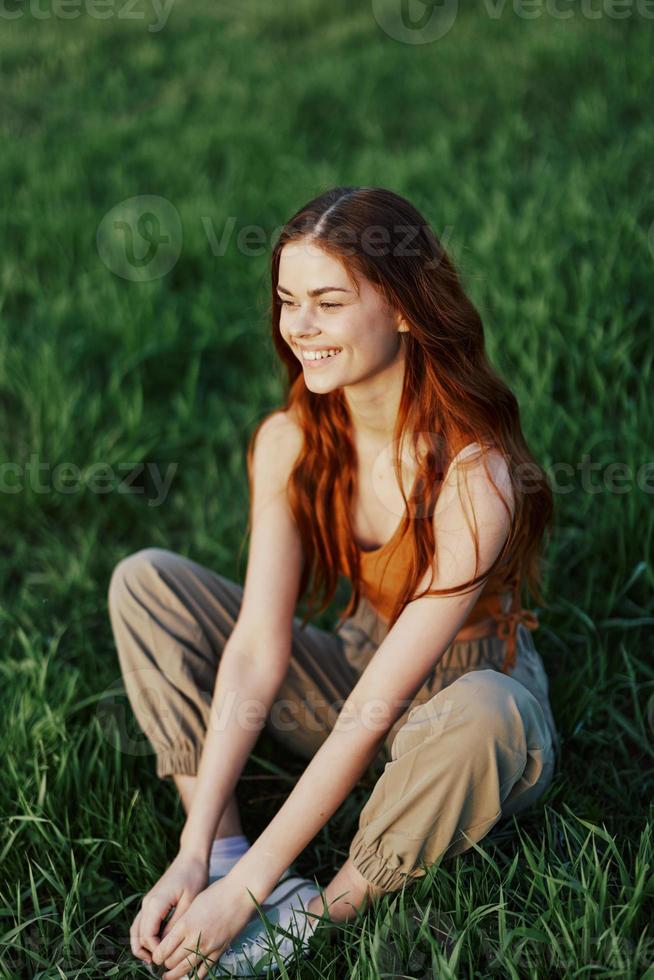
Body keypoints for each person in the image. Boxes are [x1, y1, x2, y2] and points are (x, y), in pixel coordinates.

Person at [108, 185, 559, 979]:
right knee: (146, 581)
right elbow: (256, 646)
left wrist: (250, 901)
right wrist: (200, 856)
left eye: (328, 302)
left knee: (492, 717)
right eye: (288, 301)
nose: (299, 328)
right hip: (354, 665)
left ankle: (311, 914)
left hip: (461, 703)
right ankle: (227, 850)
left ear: (407, 308)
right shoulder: (288, 439)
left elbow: (381, 703)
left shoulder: (474, 471)